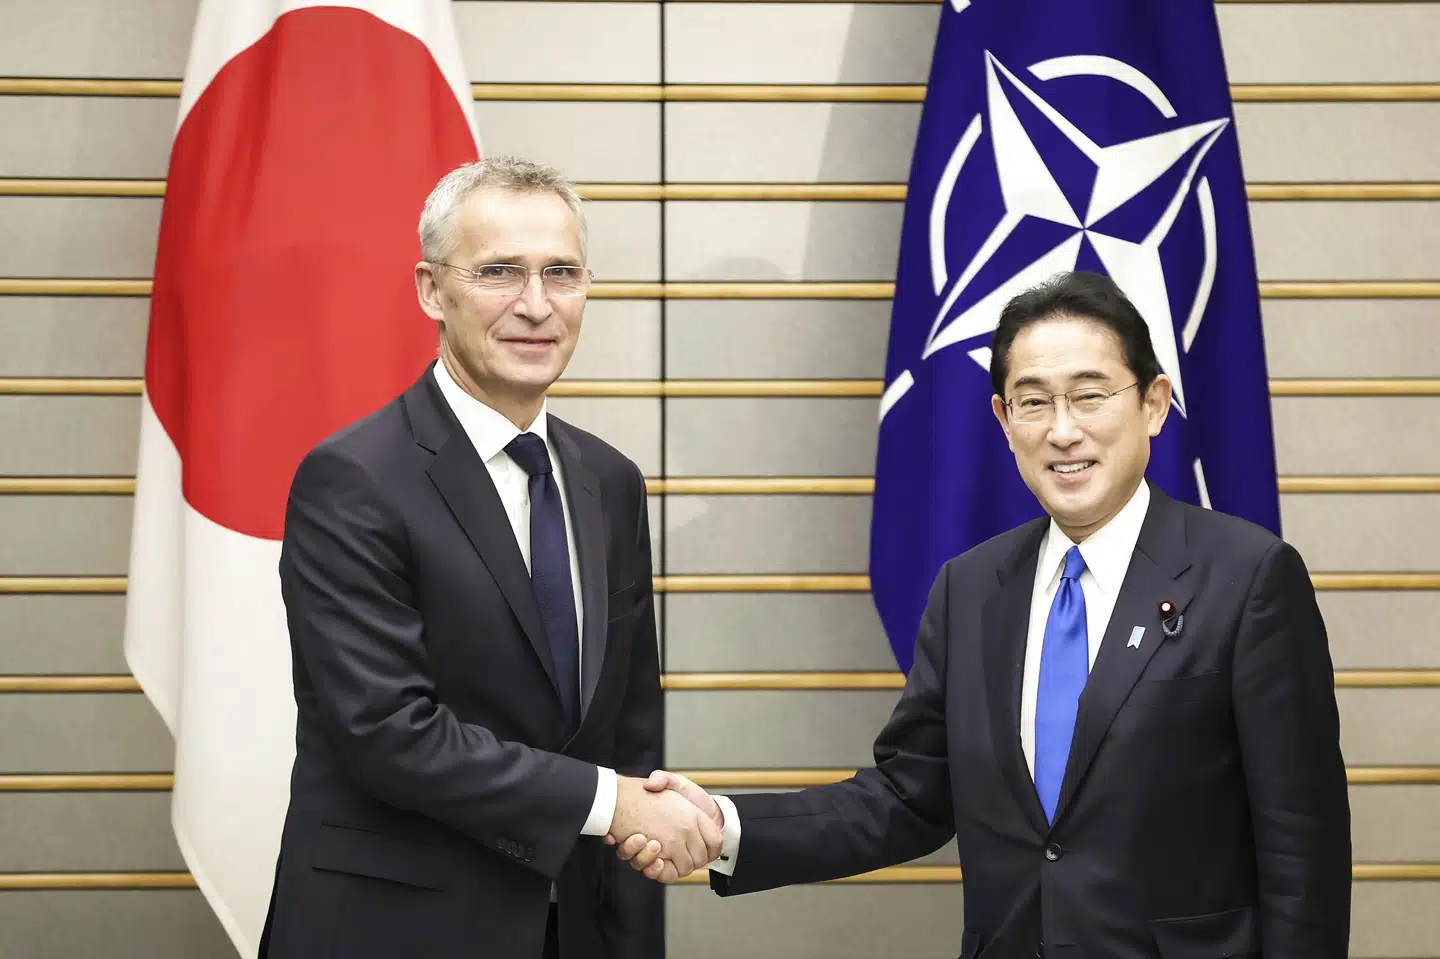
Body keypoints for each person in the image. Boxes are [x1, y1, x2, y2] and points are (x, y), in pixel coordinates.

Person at [615, 270, 1352, 958]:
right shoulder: (971, 590)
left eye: (1090, 394)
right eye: (1033, 401)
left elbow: (1301, 847)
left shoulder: (1248, 577)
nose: (1062, 430)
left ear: (1153, 404)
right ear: (1004, 419)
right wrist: (724, 827)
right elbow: (907, 796)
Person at [259, 156, 718, 959]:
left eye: (561, 273)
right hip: (391, 933)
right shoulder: (353, 479)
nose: (536, 306)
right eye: (500, 272)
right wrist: (614, 803)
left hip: (575, 928)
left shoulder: (609, 481)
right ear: (432, 290)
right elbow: (388, 731)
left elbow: (628, 731)